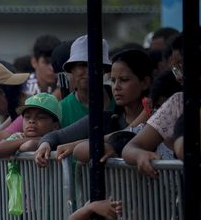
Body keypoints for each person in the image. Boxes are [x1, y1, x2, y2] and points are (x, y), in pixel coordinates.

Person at [31, 48, 153, 166]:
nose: (116, 87)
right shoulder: (104, 119)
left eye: (124, 80)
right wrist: (44, 145)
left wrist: (76, 145)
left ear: (145, 83)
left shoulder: (159, 118)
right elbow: (55, 136)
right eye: (113, 80)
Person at [123, 34, 188, 177]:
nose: (178, 76)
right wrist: (139, 155)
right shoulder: (178, 103)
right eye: (175, 69)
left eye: (181, 66)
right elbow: (131, 146)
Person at [58, 34, 112, 128]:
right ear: (72, 70)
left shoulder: (121, 100)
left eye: (94, 64)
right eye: (82, 65)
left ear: (104, 69)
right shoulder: (61, 110)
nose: (88, 71)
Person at [0, 92, 61, 157]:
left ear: (55, 126)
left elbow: (29, 145)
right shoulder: (19, 136)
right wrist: (33, 139)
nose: (31, 121)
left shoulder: (55, 140)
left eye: (40, 117)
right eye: (27, 117)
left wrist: (40, 140)